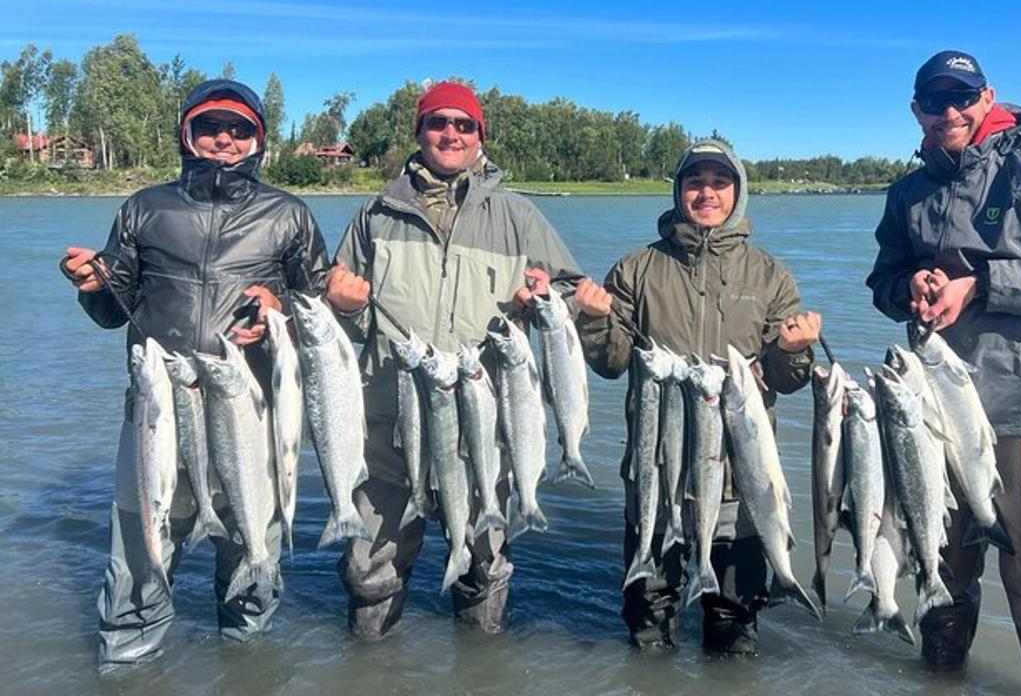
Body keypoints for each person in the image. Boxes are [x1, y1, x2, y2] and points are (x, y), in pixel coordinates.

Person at [866, 50, 1021, 694]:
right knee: (941, 572)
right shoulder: (909, 191)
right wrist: (911, 284)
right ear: (916, 109)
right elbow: (883, 281)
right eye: (935, 99)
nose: (949, 110)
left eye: (962, 96)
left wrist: (979, 286)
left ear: (988, 98)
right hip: (935, 414)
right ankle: (941, 680)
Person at [61, 78, 330, 668]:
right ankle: (128, 666)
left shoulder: (289, 215)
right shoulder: (145, 208)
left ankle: (248, 664)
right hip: (157, 412)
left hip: (251, 412)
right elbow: (113, 311)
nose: (224, 139)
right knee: (137, 557)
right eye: (210, 126)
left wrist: (280, 311)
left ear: (258, 139)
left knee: (251, 559)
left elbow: (322, 317)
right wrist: (91, 285)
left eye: (239, 129)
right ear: (188, 133)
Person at [324, 81, 583, 638]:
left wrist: (541, 298)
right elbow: (339, 309)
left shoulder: (517, 216)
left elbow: (570, 296)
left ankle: (479, 665)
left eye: (464, 125)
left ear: (479, 136)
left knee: (484, 566)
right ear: (419, 133)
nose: (451, 134)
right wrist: (339, 302)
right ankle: (371, 663)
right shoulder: (375, 214)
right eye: (439, 123)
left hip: (487, 429)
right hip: (390, 430)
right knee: (369, 569)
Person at [573, 139, 821, 655]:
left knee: (734, 621)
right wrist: (594, 321)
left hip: (740, 479)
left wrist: (795, 350)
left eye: (719, 183)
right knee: (649, 616)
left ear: (738, 193)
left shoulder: (770, 275)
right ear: (679, 190)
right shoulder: (636, 269)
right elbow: (611, 364)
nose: (707, 193)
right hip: (655, 472)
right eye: (695, 182)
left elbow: (788, 379)